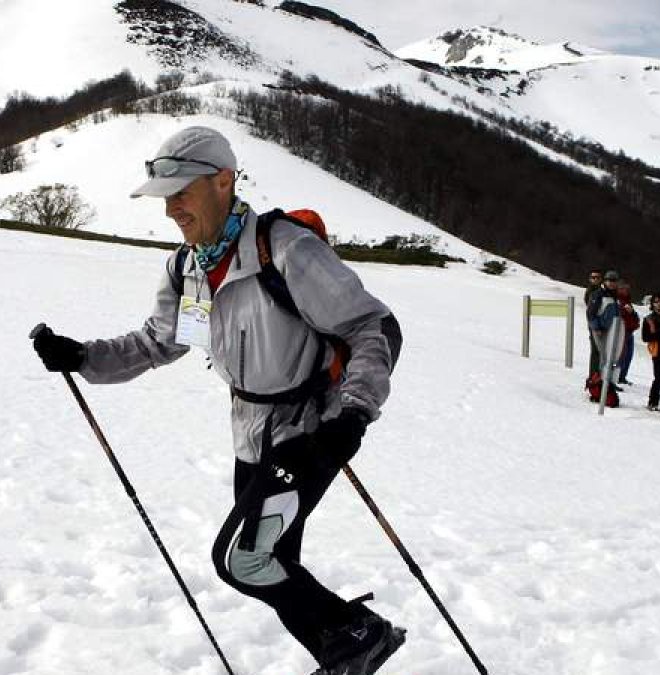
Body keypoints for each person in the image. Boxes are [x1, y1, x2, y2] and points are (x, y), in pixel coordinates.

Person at [32, 126, 406, 675]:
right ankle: (342, 656)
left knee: (243, 560)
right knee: (276, 565)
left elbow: (374, 327)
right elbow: (160, 342)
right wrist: (83, 357)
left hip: (311, 434)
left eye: (182, 192)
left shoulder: (284, 251)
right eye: (166, 197)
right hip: (251, 434)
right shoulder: (190, 269)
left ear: (224, 181)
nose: (171, 210)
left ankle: (360, 633)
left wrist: (352, 416)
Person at [586, 270, 625, 392]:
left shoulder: (616, 296)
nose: (612, 283)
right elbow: (591, 313)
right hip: (600, 331)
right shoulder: (598, 294)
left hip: (611, 331)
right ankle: (594, 381)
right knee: (598, 355)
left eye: (614, 281)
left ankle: (607, 381)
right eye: (609, 281)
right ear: (605, 281)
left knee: (610, 356)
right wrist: (596, 327)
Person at [615, 282, 639, 385]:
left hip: (630, 331)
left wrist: (632, 313)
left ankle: (623, 376)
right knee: (621, 355)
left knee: (629, 355)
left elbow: (635, 317)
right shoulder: (617, 301)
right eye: (622, 288)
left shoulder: (628, 302)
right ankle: (617, 377)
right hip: (621, 331)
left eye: (626, 288)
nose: (625, 290)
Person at [583, 269, 604, 380]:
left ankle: (599, 376)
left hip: (602, 325)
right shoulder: (591, 292)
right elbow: (590, 311)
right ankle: (593, 377)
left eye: (597, 277)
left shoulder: (603, 291)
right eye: (593, 277)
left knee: (601, 351)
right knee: (596, 351)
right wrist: (595, 326)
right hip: (595, 325)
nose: (595, 279)